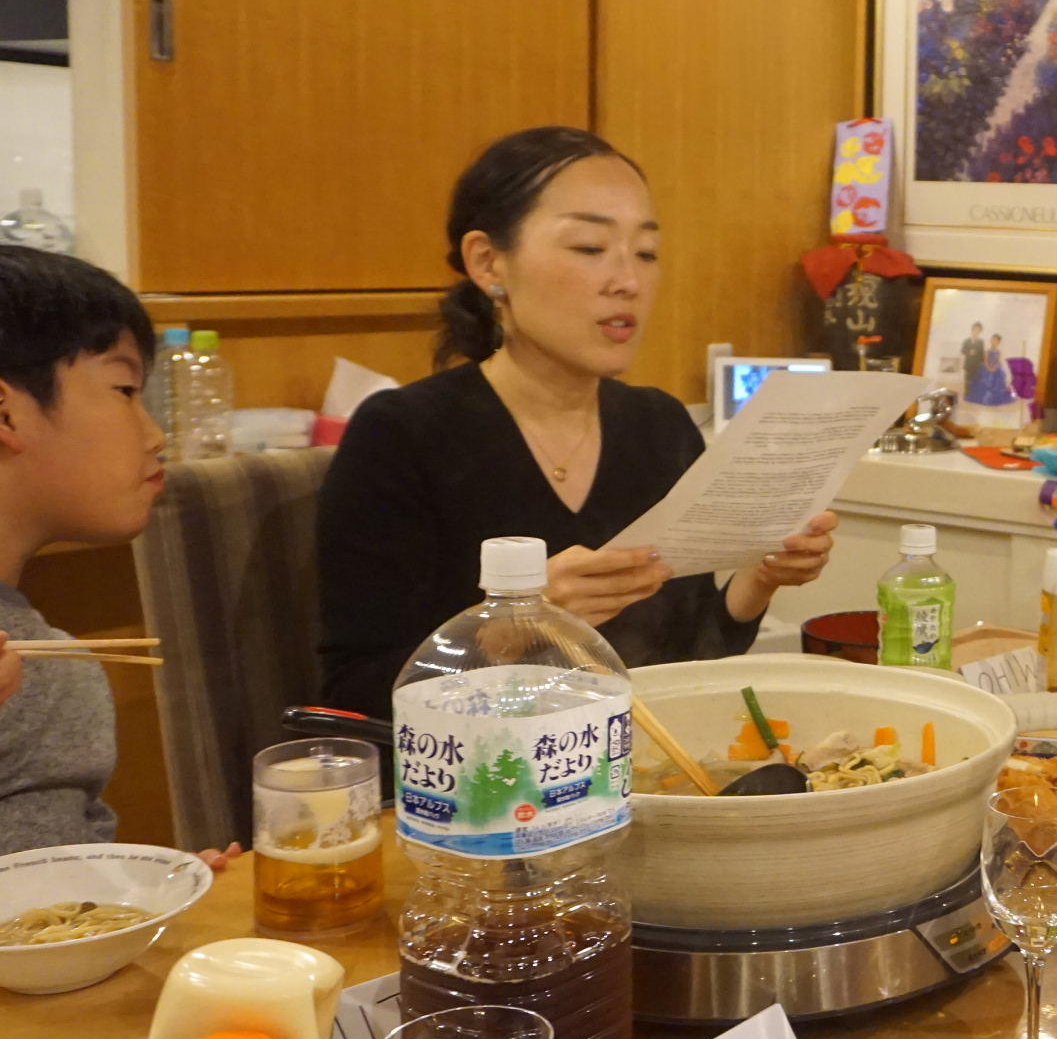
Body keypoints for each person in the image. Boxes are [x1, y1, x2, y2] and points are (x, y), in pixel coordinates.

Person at [316, 127, 837, 718]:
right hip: (489, 769)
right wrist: (512, 631)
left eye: (646, 253)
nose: (628, 281)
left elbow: (682, 659)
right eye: (590, 248)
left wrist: (759, 577)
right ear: (488, 262)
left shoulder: (659, 426)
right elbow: (356, 696)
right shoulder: (402, 434)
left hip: (641, 761)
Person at [0, 241, 239, 956]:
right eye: (125, 391)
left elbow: (40, 858)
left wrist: (129, 894)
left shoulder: (56, 654)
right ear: (0, 412)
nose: (155, 436)